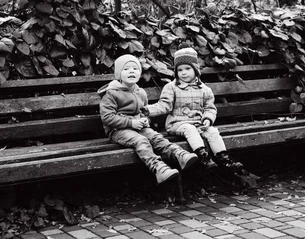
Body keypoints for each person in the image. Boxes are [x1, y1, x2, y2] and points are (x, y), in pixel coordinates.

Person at [98, 54, 198, 185]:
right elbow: (107, 117)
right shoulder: (111, 93)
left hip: (139, 127)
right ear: (118, 73)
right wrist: (131, 123)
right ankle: (159, 168)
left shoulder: (141, 92)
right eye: (126, 69)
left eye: (135, 68)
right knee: (141, 141)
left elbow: (143, 113)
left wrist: (145, 120)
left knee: (156, 137)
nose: (131, 71)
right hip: (118, 130)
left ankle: (179, 155)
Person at [144, 46, 245, 174]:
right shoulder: (171, 87)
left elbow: (210, 108)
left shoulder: (204, 89)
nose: (183, 72)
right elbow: (164, 105)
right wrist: (148, 110)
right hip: (177, 124)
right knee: (190, 129)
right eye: (180, 70)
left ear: (196, 70)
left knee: (212, 131)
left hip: (198, 123)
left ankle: (224, 159)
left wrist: (208, 118)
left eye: (187, 68)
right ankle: (204, 157)